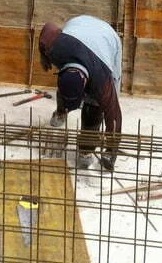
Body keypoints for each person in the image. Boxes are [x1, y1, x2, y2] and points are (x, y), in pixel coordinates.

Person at [38, 15, 123, 170]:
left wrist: (111, 151)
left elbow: (114, 115)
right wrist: (43, 56)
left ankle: (85, 150)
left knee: (94, 107)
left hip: (107, 38)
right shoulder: (55, 50)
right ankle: (61, 112)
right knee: (67, 86)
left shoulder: (101, 81)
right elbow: (49, 26)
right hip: (79, 23)